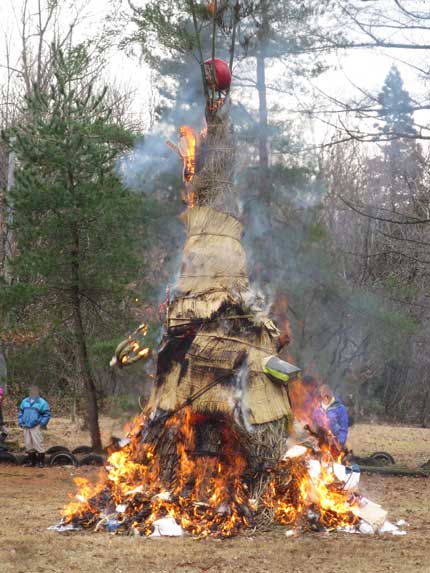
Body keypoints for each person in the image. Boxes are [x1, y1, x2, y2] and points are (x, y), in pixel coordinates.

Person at [18, 385, 51, 467]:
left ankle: (41, 462)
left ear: (37, 392)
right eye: (30, 391)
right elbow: (20, 412)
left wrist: (42, 424)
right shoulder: (24, 401)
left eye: (33, 391)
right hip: (26, 426)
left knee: (38, 443)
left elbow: (47, 414)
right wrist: (21, 421)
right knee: (28, 444)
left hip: (36, 426)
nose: (31, 392)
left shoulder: (42, 402)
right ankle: (31, 462)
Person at [312, 384, 349, 450]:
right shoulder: (317, 410)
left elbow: (344, 427)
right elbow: (314, 426)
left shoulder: (340, 408)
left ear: (331, 392)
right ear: (321, 394)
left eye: (327, 392)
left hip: (336, 443)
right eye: (323, 392)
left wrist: (341, 441)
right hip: (322, 445)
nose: (326, 395)